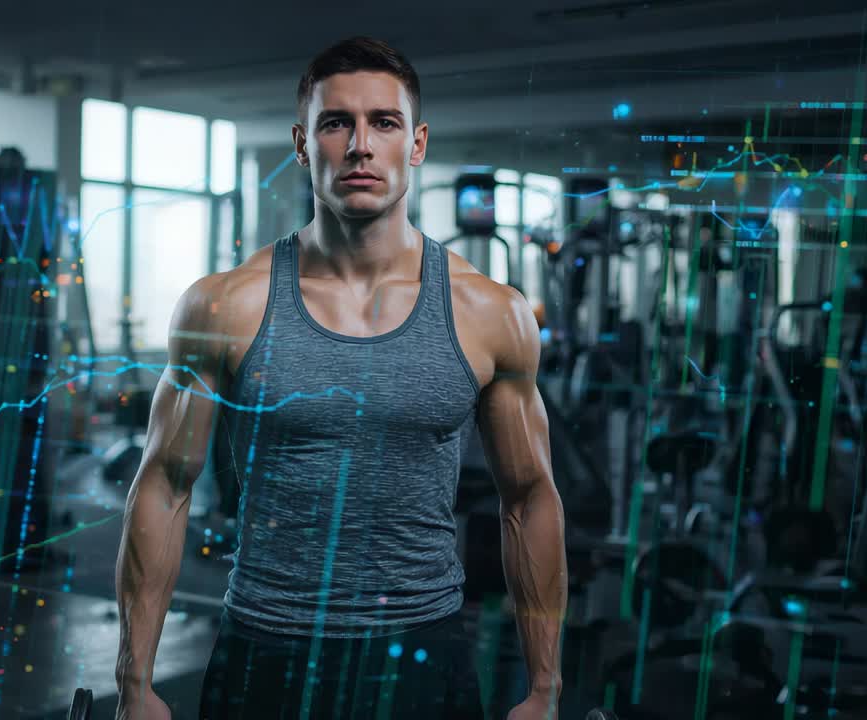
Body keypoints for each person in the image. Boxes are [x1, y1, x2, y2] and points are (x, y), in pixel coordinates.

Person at [114, 36, 567, 720]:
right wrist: (134, 681)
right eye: (336, 123)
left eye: (383, 123)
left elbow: (529, 497)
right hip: (266, 651)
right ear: (303, 144)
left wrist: (545, 687)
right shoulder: (225, 305)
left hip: (421, 653)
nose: (361, 145)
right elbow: (165, 485)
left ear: (415, 144)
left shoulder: (489, 312)